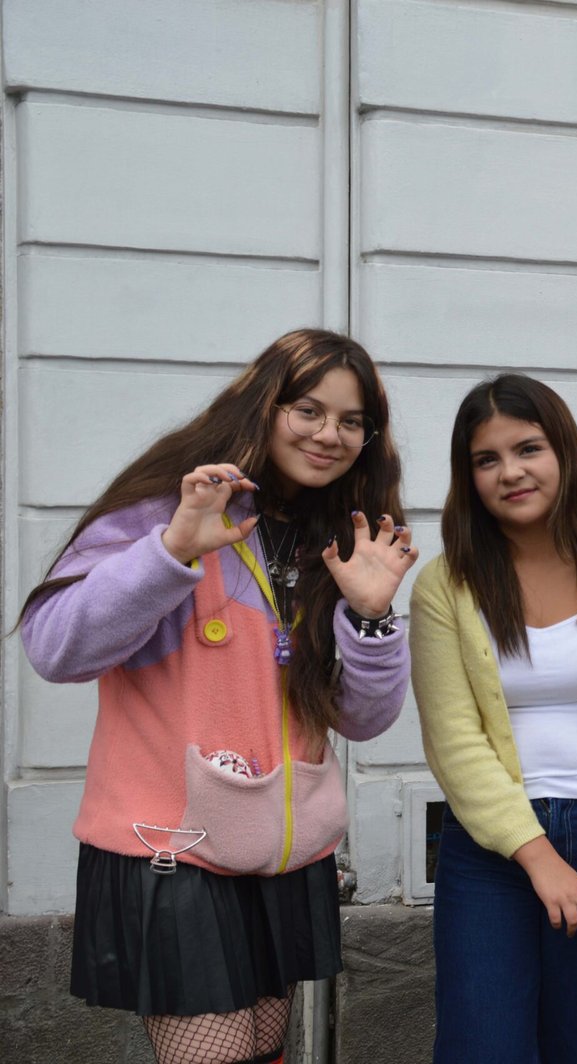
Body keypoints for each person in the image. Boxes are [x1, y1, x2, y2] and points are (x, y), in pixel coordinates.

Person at [19, 329, 414, 1064]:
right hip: (172, 850)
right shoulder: (166, 510)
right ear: (263, 405)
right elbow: (55, 649)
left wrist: (370, 617)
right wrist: (171, 552)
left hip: (281, 849)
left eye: (352, 421)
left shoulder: (333, 539)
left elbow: (363, 718)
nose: (329, 434)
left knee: (263, 1054)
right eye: (308, 410)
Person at [409, 375, 577, 1063]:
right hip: (489, 849)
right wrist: (536, 856)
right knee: (479, 1048)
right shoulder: (446, 584)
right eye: (486, 459)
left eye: (528, 448)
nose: (510, 472)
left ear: (564, 452)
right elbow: (454, 740)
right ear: (468, 477)